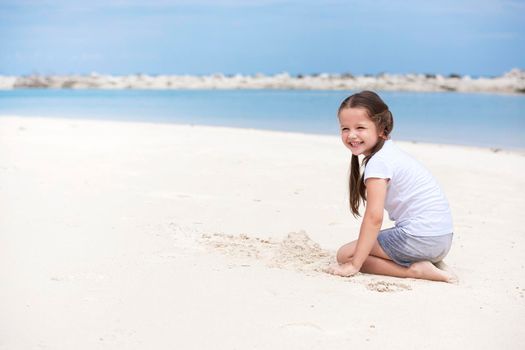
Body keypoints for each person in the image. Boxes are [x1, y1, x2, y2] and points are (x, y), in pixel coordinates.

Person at [327, 91, 455, 282]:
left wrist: (355, 265)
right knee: (361, 248)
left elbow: (374, 217)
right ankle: (425, 261)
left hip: (422, 239)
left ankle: (414, 271)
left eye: (360, 127)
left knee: (345, 255)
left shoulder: (379, 162)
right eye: (345, 128)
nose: (351, 135)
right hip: (442, 240)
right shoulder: (390, 152)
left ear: (382, 128)